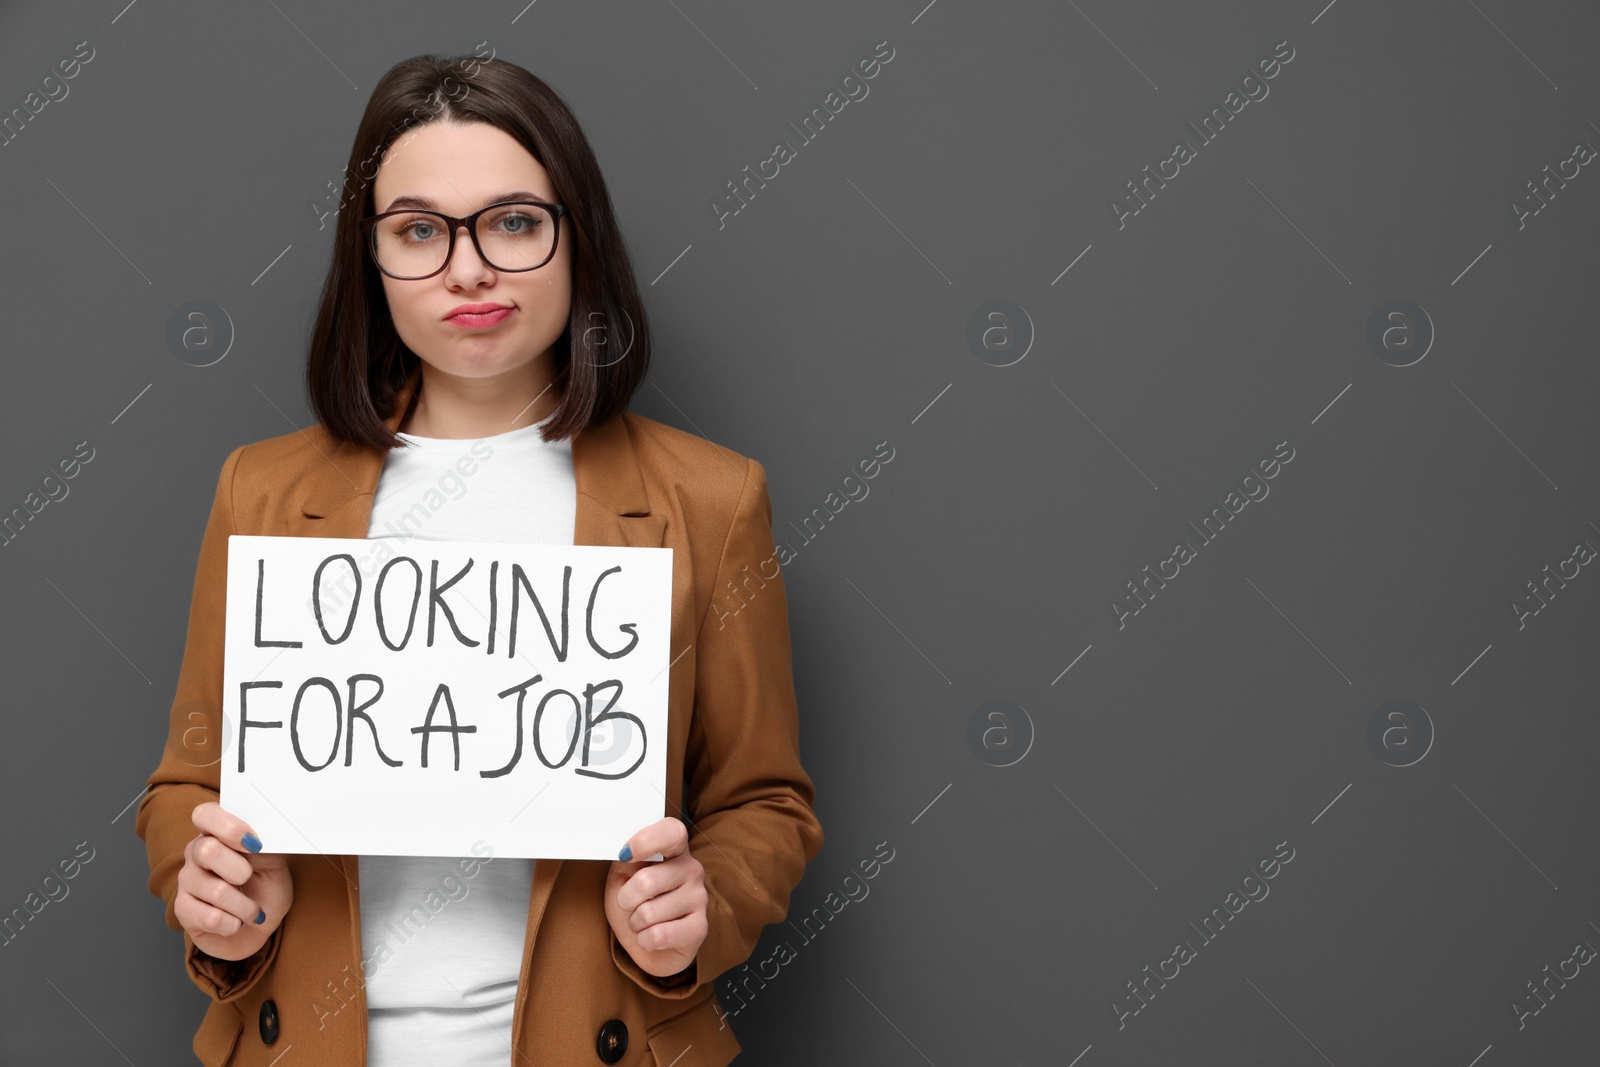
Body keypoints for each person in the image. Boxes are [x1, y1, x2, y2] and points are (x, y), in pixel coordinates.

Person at [134, 52, 823, 1067]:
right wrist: (211, 892)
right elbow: (186, 783)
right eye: (418, 229)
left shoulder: (710, 501)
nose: (467, 268)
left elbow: (764, 801)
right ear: (370, 257)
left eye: (511, 221)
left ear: (574, 238)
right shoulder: (264, 492)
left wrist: (698, 904)